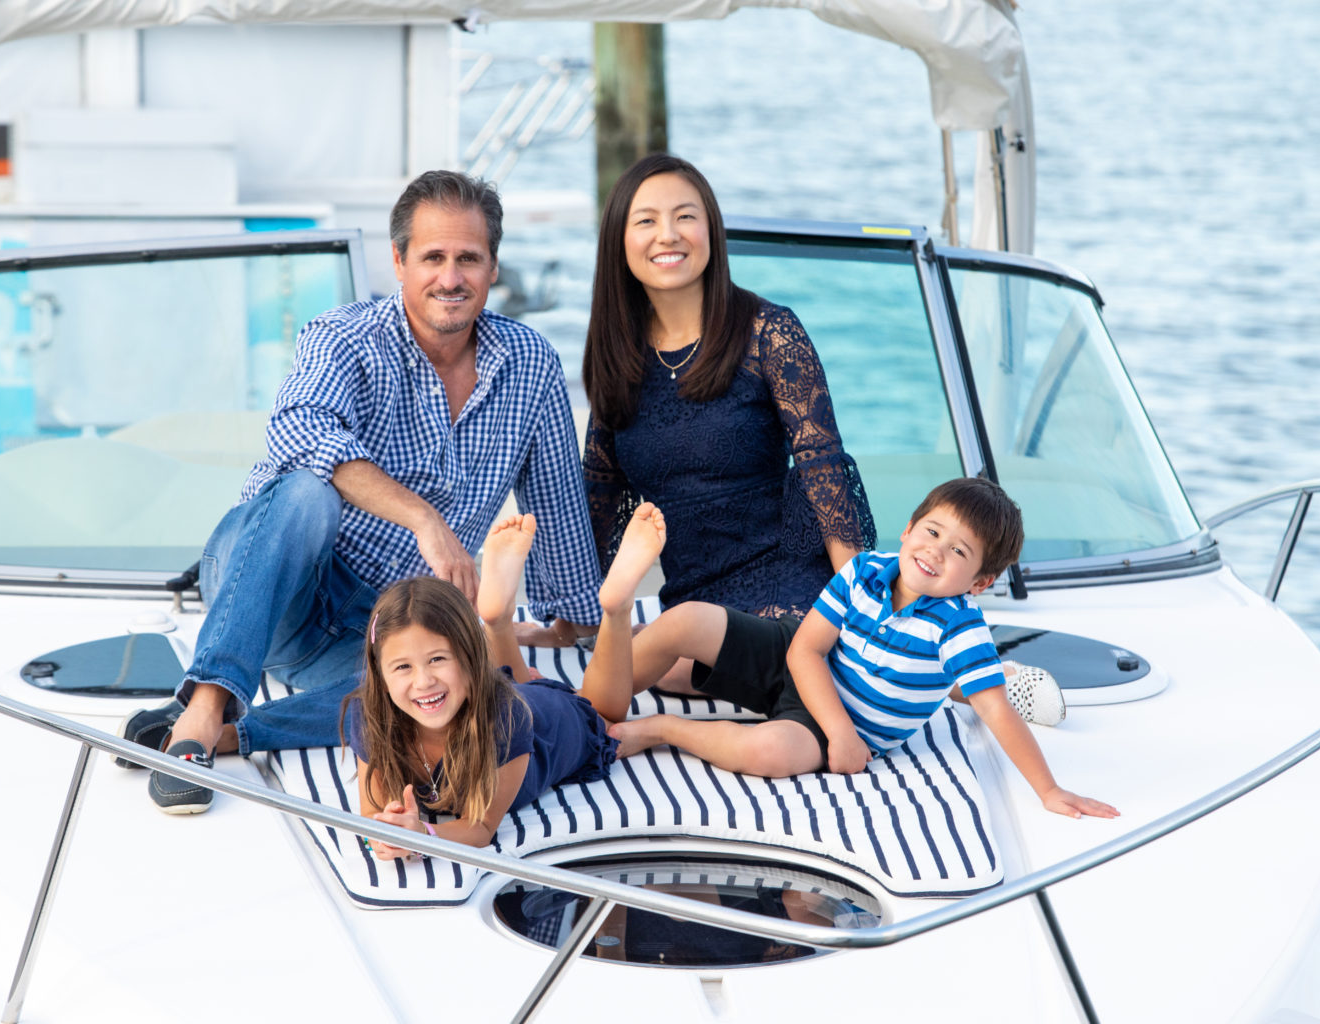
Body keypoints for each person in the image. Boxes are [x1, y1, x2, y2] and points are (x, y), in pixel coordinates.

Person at [137, 170, 602, 814]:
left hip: (384, 636)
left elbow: (557, 509)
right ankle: (203, 705)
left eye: (468, 258)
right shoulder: (343, 337)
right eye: (433, 258)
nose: (451, 277)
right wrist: (425, 521)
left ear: (493, 266)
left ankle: (233, 736)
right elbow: (300, 433)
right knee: (306, 491)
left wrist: (572, 625)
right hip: (278, 587)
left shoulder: (531, 366)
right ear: (400, 262)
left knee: (442, 696)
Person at [603, 478, 1118, 820]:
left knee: (770, 750)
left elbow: (998, 713)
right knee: (687, 622)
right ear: (908, 528)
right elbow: (804, 650)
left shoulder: (959, 628)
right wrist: (841, 733)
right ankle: (604, 686)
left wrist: (1049, 791)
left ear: (980, 581)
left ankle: (660, 729)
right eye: (932, 531)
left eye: (958, 551)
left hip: (827, 721)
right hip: (803, 662)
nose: (936, 551)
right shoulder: (867, 568)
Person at [580, 153, 875, 626]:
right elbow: (598, 494)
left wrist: (864, 612)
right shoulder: (619, 356)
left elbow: (823, 468)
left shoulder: (770, 333)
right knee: (644, 655)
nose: (668, 235)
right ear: (619, 240)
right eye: (647, 221)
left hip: (789, 584)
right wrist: (572, 619)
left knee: (675, 648)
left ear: (710, 231)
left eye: (685, 217)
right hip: (691, 602)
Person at [348, 508, 666, 856]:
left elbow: (480, 828)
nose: (423, 681)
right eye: (402, 667)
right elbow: (370, 821)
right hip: (503, 697)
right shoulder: (371, 716)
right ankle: (497, 618)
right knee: (513, 690)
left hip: (554, 722)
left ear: (472, 658)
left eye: (437, 659)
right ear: (379, 675)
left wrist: (421, 835)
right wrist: (386, 832)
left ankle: (616, 606)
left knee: (604, 714)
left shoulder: (506, 719)